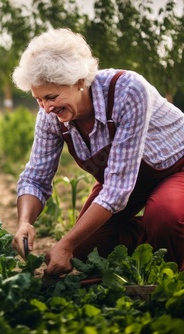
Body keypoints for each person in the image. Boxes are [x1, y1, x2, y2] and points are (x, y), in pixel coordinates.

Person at [11, 28, 184, 275]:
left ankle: (172, 269)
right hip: (125, 179)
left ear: (80, 81)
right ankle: (154, 244)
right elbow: (36, 177)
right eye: (38, 99)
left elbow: (116, 190)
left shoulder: (127, 91)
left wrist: (65, 244)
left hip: (175, 168)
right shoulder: (51, 115)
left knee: (165, 217)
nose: (46, 108)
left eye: (51, 96)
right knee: (84, 249)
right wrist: (24, 222)